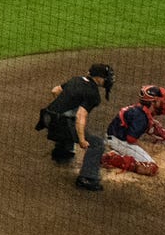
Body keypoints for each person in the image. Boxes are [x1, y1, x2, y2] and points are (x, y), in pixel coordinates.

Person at [36, 60, 112, 191]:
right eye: (106, 77)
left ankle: (62, 152)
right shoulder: (93, 94)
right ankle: (87, 178)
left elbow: (55, 90)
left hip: (47, 117)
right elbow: (81, 116)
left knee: (68, 121)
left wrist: (63, 108)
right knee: (96, 143)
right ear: (98, 78)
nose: (108, 80)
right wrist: (82, 140)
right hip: (59, 123)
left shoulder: (76, 79)